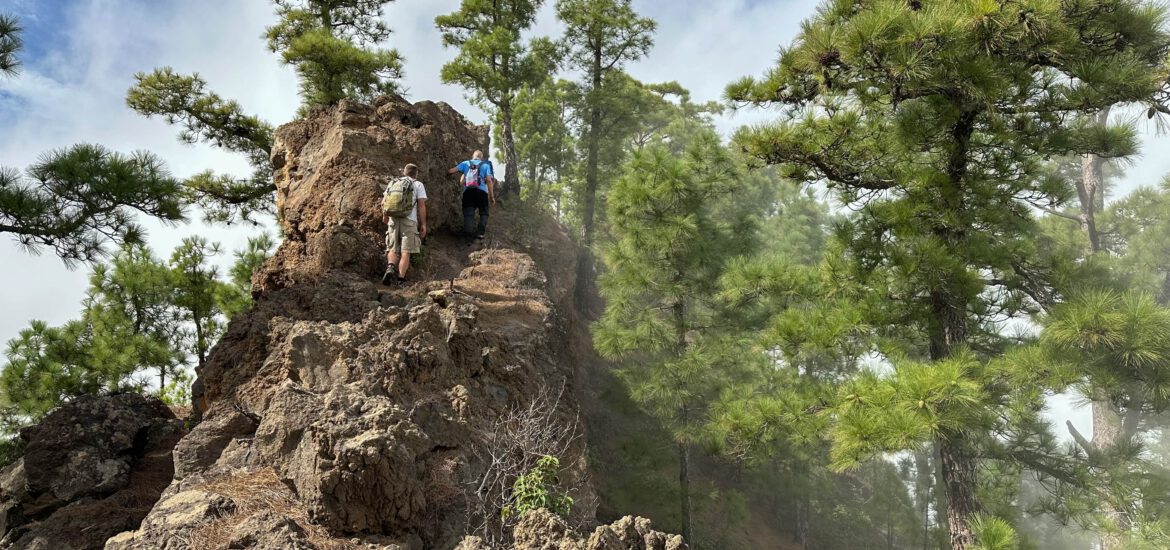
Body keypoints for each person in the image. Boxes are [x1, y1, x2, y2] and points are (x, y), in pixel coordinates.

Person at [382, 164, 427, 285]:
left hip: (393, 219)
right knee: (406, 251)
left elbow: (384, 201)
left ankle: (390, 267)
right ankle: (401, 279)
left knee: (392, 247)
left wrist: (385, 216)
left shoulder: (393, 183)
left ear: (404, 172)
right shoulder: (418, 184)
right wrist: (424, 224)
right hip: (409, 221)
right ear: (415, 174)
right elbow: (421, 205)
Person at [448, 150, 496, 242]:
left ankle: (468, 238)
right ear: (481, 158)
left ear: (473, 156)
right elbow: (489, 181)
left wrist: (447, 172)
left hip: (468, 192)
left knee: (469, 215)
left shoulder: (465, 163)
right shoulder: (486, 165)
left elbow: (452, 171)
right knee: (484, 213)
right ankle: (480, 234)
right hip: (482, 192)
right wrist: (491, 196)